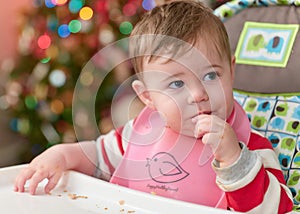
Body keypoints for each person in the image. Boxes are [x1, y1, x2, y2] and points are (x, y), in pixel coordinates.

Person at [14, 0, 293, 212]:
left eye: (211, 76)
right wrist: (62, 156)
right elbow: (99, 157)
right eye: (175, 84)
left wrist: (235, 161)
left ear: (232, 71)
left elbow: (277, 208)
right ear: (147, 97)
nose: (198, 94)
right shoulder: (141, 134)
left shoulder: (251, 149)